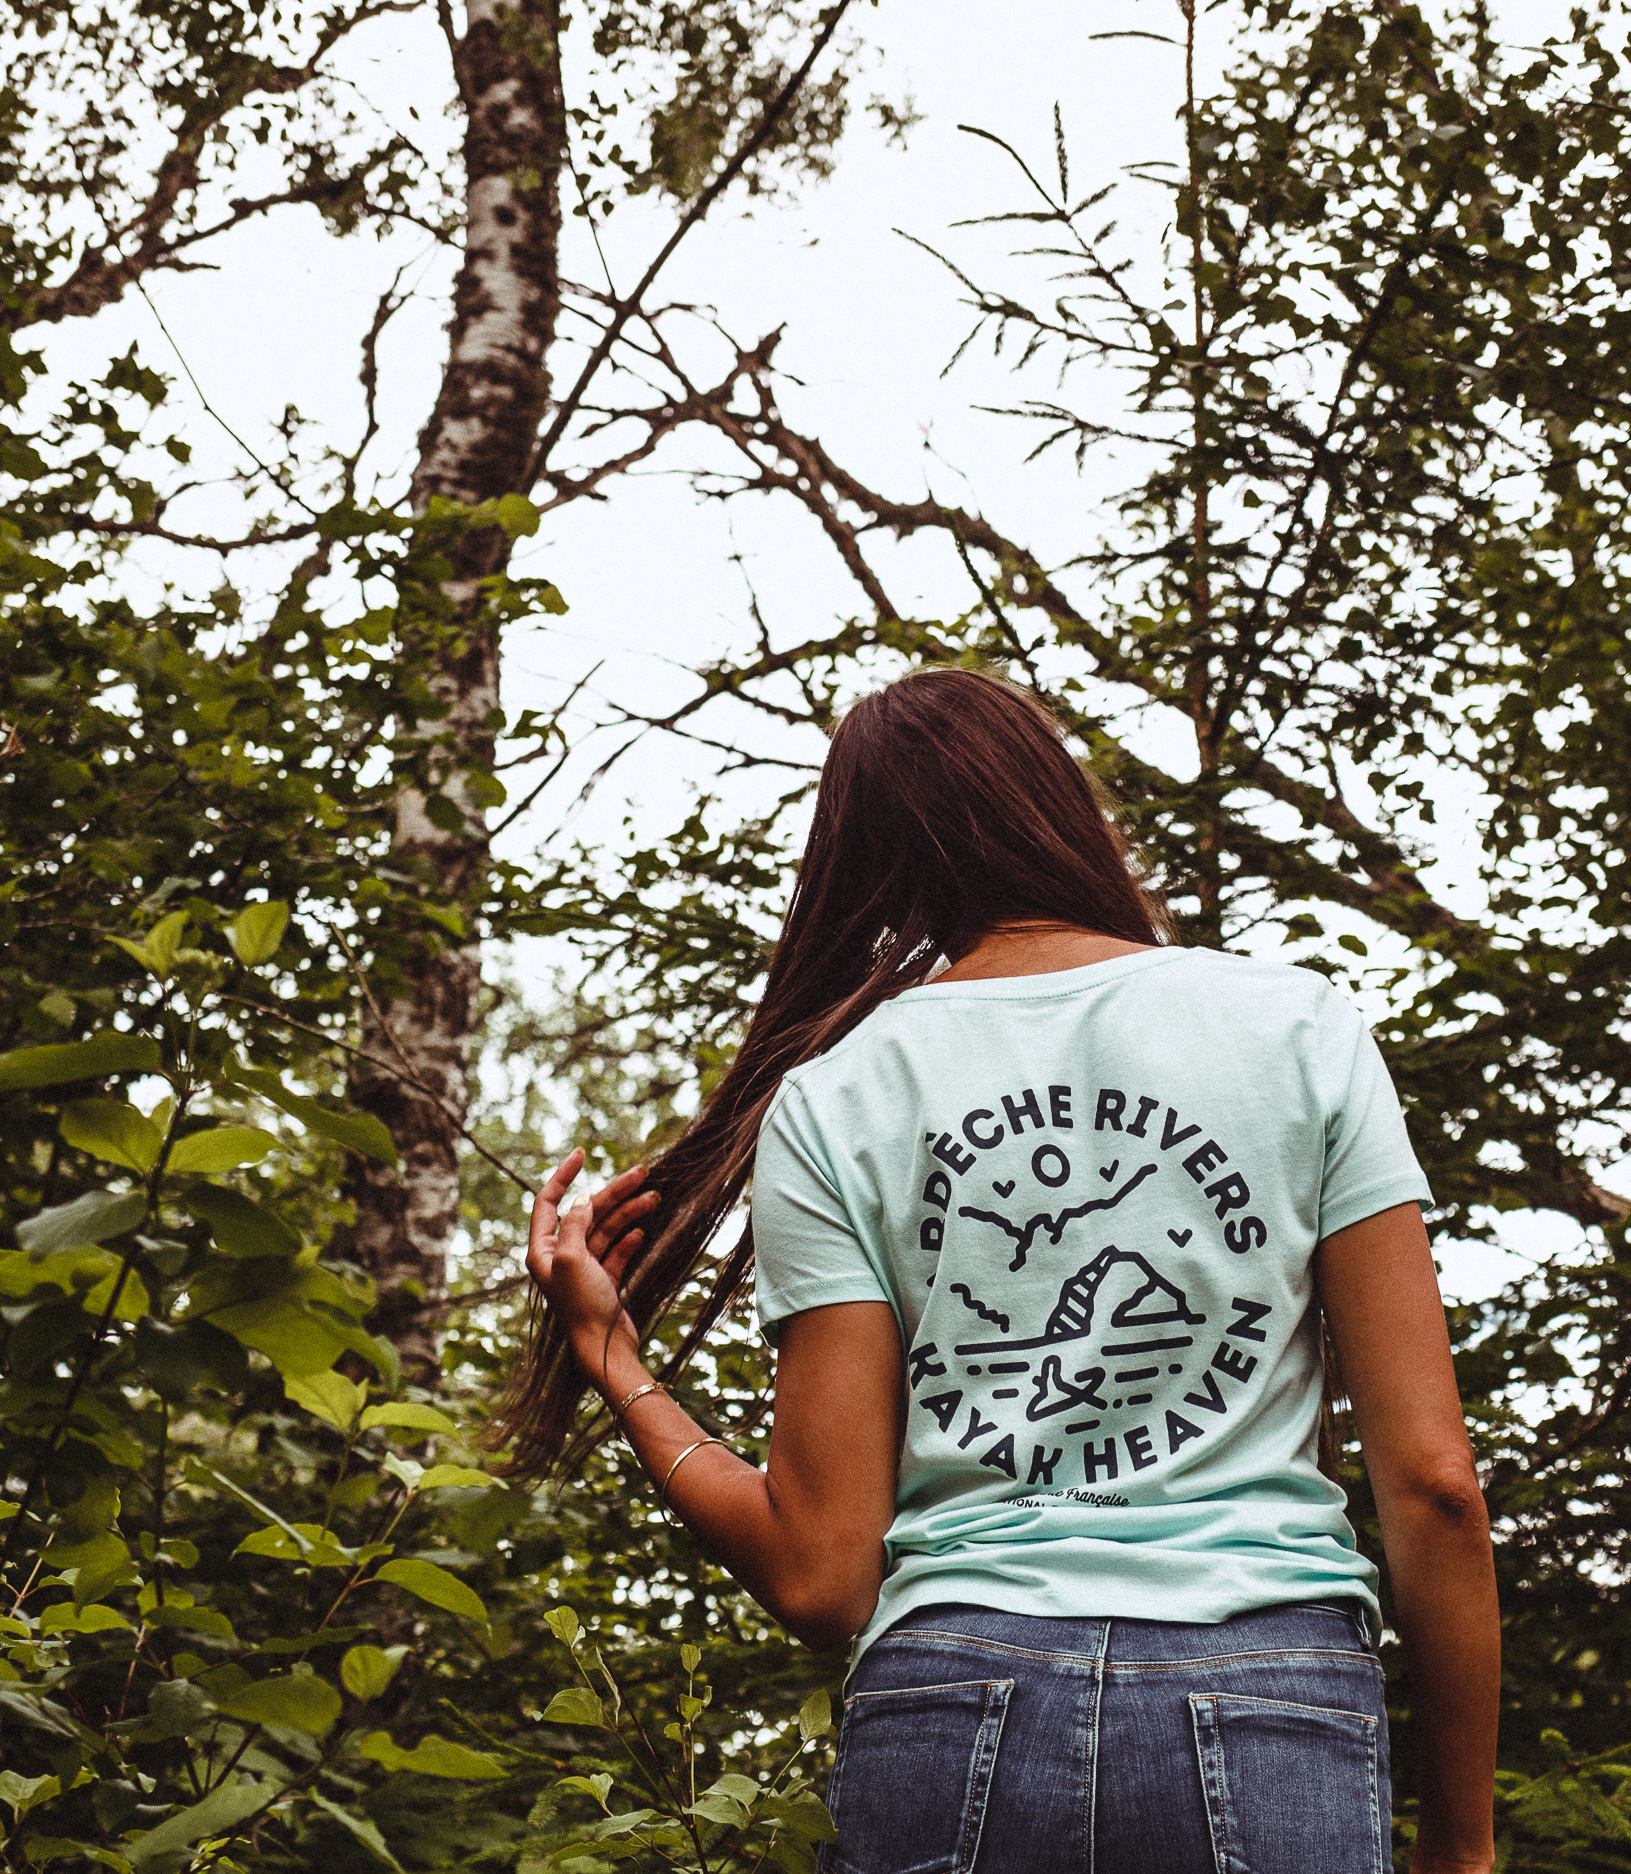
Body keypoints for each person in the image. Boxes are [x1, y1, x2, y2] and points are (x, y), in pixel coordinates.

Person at [498, 666, 1498, 1874]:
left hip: (951, 1701)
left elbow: (820, 1576)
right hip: (1266, 1693)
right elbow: (1435, 1482)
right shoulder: (1299, 1028)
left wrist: (612, 1354)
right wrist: (1460, 1845)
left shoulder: (835, 1095)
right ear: (1058, 805)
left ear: (865, 862)